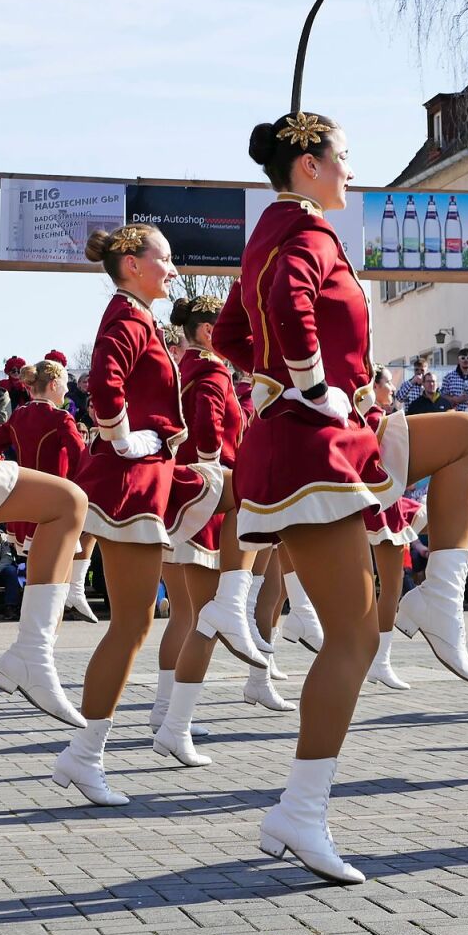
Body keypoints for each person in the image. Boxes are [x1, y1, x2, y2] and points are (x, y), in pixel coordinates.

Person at [211, 109, 468, 884]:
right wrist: (309, 384)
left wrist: (295, 378)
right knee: (352, 639)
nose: (350, 170)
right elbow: (289, 312)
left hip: (325, 433)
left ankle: (440, 596)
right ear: (307, 165)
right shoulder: (297, 237)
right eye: (341, 157)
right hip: (313, 445)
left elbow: (233, 334)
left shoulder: (276, 233)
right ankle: (297, 814)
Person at [52, 223, 245, 808]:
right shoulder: (126, 317)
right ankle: (83, 754)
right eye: (163, 257)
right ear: (133, 263)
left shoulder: (139, 315)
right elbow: (103, 387)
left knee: (245, 492)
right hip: (131, 483)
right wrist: (123, 440)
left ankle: (234, 602)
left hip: (151, 475)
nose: (173, 266)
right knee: (132, 624)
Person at [152, 295, 294, 766]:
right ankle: (173, 724)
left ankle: (167, 715)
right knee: (207, 619)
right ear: (209, 331)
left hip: (190, 497)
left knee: (191, 618)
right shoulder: (210, 372)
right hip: (210, 499)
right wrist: (221, 480)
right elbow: (210, 438)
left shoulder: (186, 366)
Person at [0, 358, 96, 622]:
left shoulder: (19, 415)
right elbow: (81, 460)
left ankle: (40, 629)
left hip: (25, 507)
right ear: (53, 384)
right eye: (65, 384)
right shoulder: (61, 418)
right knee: (59, 569)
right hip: (56, 507)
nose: (67, 390)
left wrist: (7, 475)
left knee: (40, 572)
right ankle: (50, 621)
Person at [362, 365, 426, 690]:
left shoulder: (368, 417)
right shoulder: (376, 419)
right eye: (387, 383)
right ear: (373, 386)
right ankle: (379, 661)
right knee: (390, 586)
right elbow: (395, 469)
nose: (391, 389)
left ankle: (375, 659)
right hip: (381, 508)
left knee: (381, 588)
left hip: (379, 506)